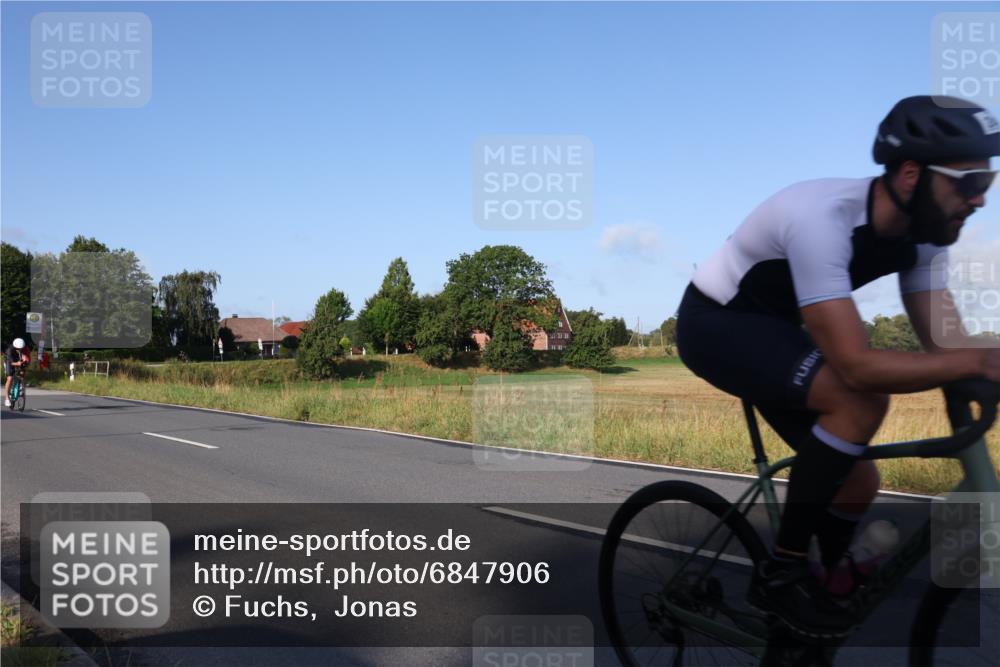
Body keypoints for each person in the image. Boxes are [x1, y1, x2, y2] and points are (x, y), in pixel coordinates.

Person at [676, 95, 1000, 639]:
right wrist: (980, 362)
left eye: (988, 183)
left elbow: (947, 347)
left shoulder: (923, 238)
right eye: (969, 184)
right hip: (717, 324)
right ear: (910, 173)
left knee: (857, 483)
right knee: (860, 399)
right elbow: (857, 364)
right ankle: (781, 574)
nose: (981, 200)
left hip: (780, 328)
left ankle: (817, 590)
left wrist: (976, 367)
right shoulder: (822, 218)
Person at [5, 338, 32, 407]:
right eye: (18, 349)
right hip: (10, 362)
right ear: (15, 347)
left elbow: (28, 359)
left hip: (19, 360)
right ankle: (7, 398)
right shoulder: (10, 350)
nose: (20, 350)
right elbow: (11, 362)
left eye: (21, 348)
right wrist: (17, 363)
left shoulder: (26, 349)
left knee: (22, 371)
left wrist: (26, 361)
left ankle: (21, 385)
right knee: (10, 378)